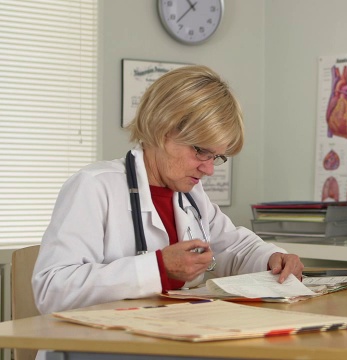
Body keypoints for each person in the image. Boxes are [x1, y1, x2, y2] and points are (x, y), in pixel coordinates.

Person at [32, 65, 304, 316]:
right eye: (200, 152)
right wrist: (158, 268)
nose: (208, 170)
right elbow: (52, 290)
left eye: (217, 157)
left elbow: (232, 247)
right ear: (163, 130)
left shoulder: (190, 195)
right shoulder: (94, 186)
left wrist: (271, 259)